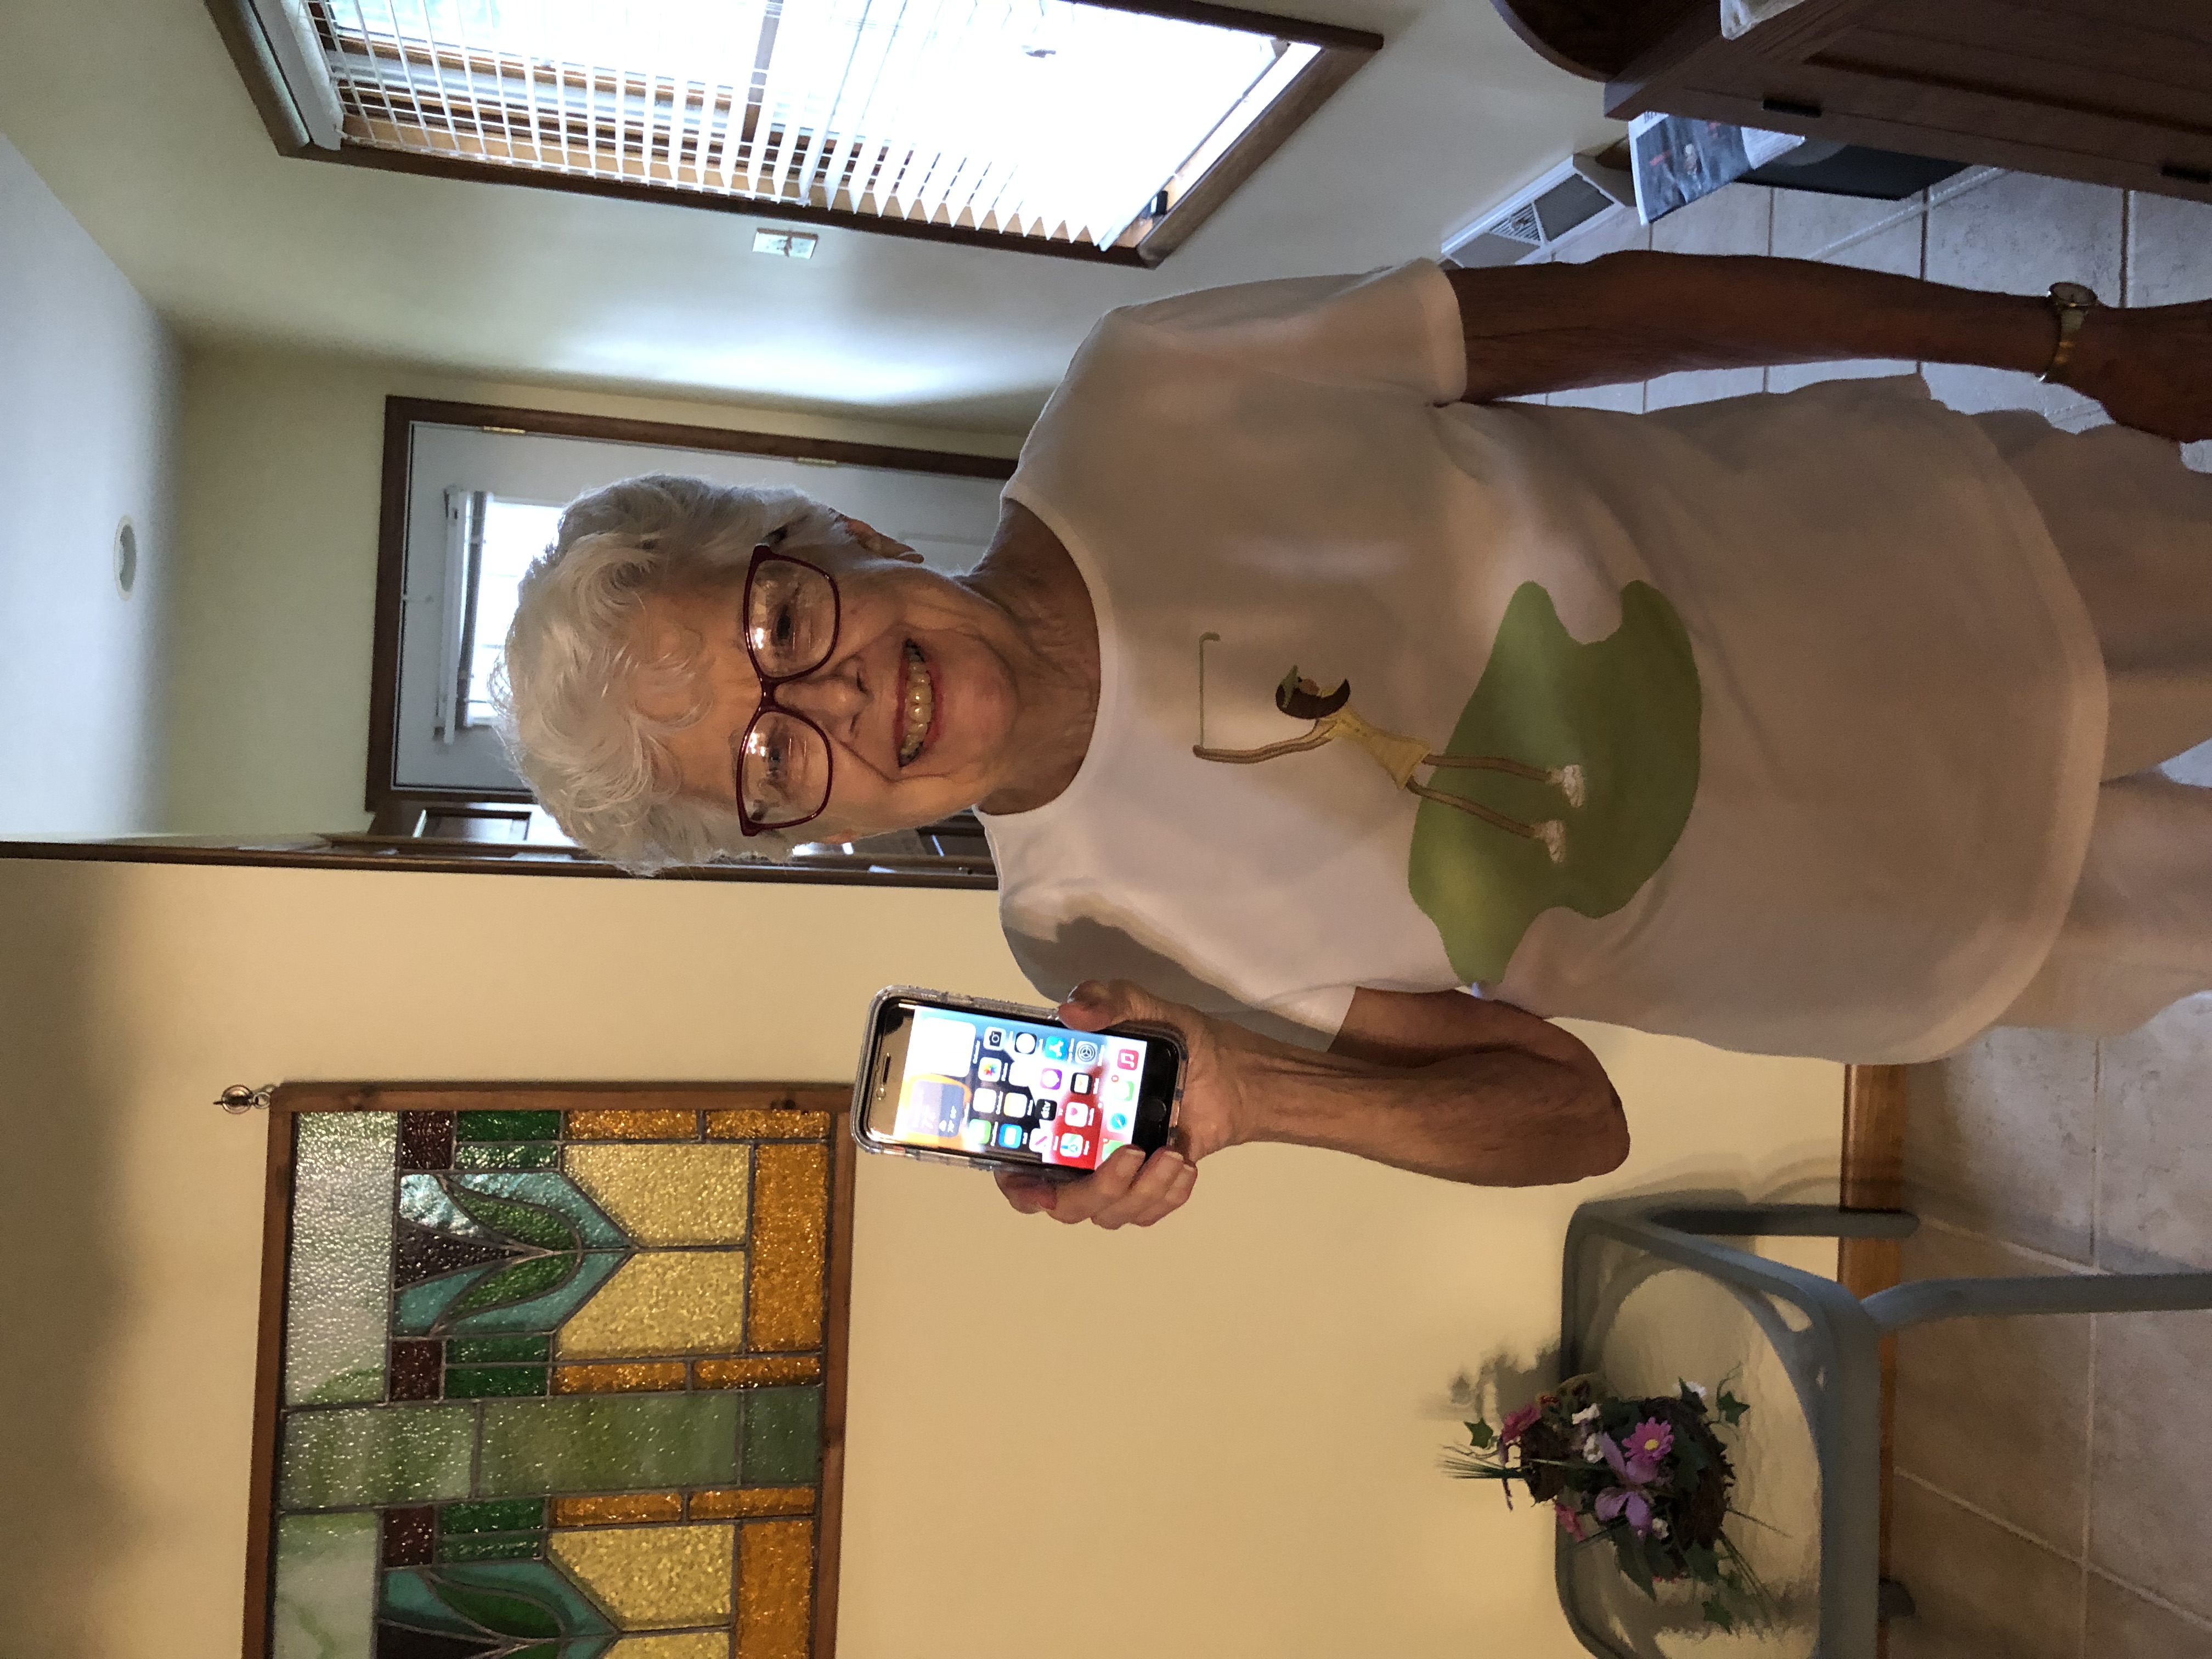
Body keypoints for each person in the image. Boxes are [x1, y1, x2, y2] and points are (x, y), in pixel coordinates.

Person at [498, 250, 2212, 1232]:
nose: (839, 712)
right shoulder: (1101, 948)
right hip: (1931, 911)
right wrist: (1254, 1100)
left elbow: (1616, 313)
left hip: (1950, 563)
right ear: (819, 840)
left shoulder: (1152, 392)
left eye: (778, 631)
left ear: (824, 531)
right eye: (769, 774)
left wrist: (2067, 339)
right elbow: (1570, 1120)